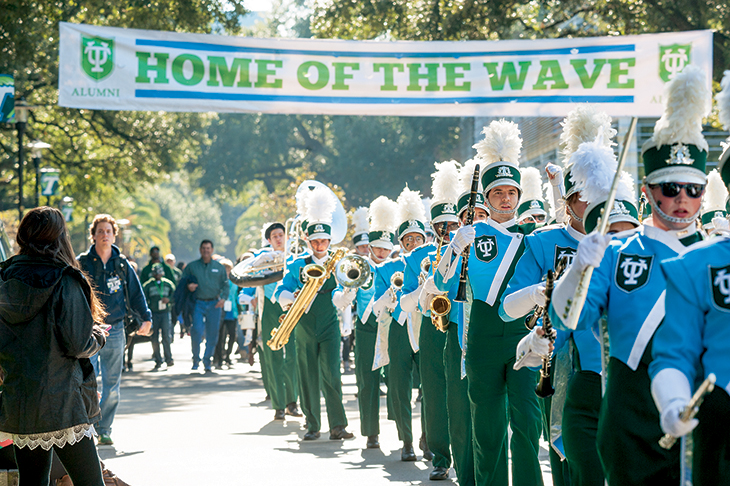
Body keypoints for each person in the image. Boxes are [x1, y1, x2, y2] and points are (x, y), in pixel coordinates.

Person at [549, 65, 709, 484]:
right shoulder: (618, 253)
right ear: (647, 193)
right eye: (669, 188)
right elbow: (568, 318)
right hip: (629, 416)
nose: (681, 200)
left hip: (706, 414)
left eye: (692, 190)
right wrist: (579, 267)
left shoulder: (717, 256)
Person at [435, 120, 543, 486]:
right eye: (498, 193)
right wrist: (453, 247)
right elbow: (439, 283)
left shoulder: (534, 234)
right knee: (487, 425)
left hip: (523, 332)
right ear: (486, 198)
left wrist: (558, 186)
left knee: (528, 421)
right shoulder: (472, 232)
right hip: (480, 332)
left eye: (512, 192)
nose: (506, 199)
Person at [0, 207, 106, 485]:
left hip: (20, 399)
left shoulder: (4, 278)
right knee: (91, 482)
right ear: (59, 237)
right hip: (62, 401)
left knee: (32, 481)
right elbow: (77, 343)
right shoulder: (65, 279)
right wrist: (98, 336)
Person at [274, 186, 353, 441]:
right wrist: (293, 297)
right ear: (309, 241)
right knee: (307, 375)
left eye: (324, 241)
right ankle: (312, 424)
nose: (320, 245)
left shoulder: (338, 262)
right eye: (316, 241)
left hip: (329, 324)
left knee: (332, 372)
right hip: (304, 325)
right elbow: (279, 292)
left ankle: (338, 425)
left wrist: (347, 297)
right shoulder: (297, 264)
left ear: (330, 241)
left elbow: (338, 295)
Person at [78, 214, 152, 446]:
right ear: (93, 235)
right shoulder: (82, 263)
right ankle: (86, 428)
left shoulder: (122, 265)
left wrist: (146, 318)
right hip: (87, 329)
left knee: (112, 385)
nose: (104, 235)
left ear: (114, 235)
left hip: (116, 329)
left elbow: (137, 294)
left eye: (108, 231)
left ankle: (105, 428)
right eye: (100, 231)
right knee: (86, 380)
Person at [333, 200, 396, 449]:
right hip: (367, 328)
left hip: (394, 328)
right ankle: (371, 432)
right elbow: (338, 299)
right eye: (376, 248)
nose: (380, 253)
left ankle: (404, 432)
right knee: (366, 381)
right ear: (369, 247)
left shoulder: (398, 265)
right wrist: (349, 292)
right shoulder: (360, 266)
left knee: (396, 380)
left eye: (385, 248)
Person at [372, 186, 425, 461]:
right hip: (397, 329)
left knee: (429, 384)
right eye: (408, 239)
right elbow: (374, 307)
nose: (414, 243)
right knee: (399, 385)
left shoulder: (430, 259)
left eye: (418, 238)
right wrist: (387, 296)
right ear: (401, 242)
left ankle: (429, 436)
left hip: (424, 326)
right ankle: (406, 440)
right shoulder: (385, 268)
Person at [182, 240, 229, 373]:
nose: (206, 251)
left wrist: (223, 298)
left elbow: (225, 284)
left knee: (213, 333)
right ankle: (196, 359)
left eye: (208, 248)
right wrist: (188, 286)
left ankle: (207, 361)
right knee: (196, 329)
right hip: (198, 302)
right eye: (203, 248)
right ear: (200, 249)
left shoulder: (219, 267)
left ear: (212, 250)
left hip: (214, 303)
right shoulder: (192, 266)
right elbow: (183, 281)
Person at [142, 263, 176, 371]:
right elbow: (143, 300)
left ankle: (168, 358)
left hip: (165, 312)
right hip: (154, 313)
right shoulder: (148, 285)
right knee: (154, 337)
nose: (158, 275)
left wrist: (169, 300)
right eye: (155, 273)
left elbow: (174, 296)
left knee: (166, 336)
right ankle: (158, 359)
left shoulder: (168, 284)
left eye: (159, 272)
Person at [213, 259, 239, 370]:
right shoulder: (217, 281)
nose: (227, 271)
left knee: (232, 335)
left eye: (228, 269)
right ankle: (219, 358)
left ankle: (228, 356)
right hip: (221, 310)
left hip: (232, 311)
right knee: (220, 336)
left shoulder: (235, 281)